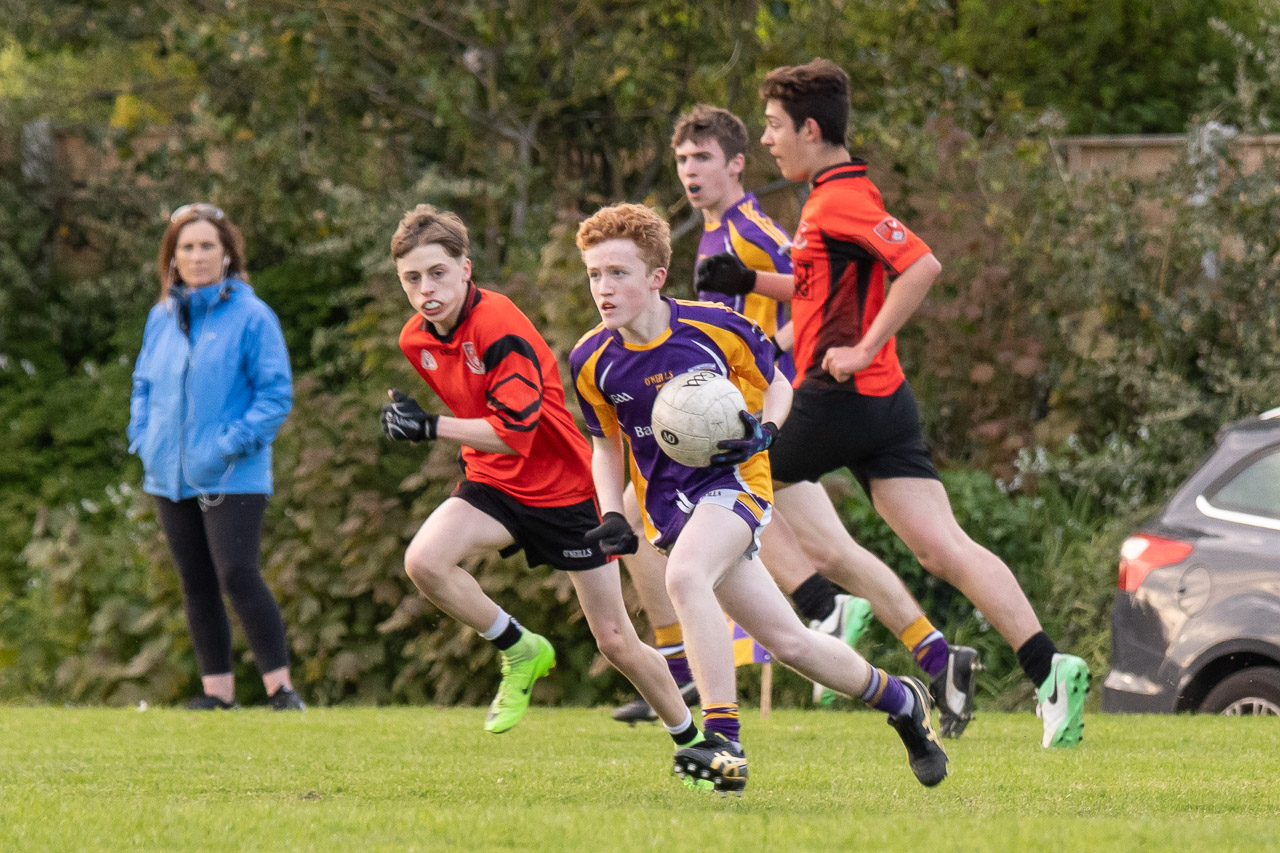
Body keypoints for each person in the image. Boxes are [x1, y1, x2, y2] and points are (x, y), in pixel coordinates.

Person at [752, 58, 1089, 748]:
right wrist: (754, 278)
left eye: (773, 126)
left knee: (724, 477)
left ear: (811, 129)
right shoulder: (828, 198)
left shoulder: (843, 199)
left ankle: (824, 607)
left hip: (840, 397)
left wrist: (867, 345)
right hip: (884, 406)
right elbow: (822, 289)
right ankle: (1050, 667)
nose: (766, 139)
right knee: (943, 548)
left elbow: (922, 264)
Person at [614, 104, 979, 732]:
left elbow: (814, 297)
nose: (690, 172)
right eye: (682, 160)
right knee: (836, 550)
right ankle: (939, 657)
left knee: (636, 502)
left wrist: (768, 361)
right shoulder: (707, 234)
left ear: (735, 164)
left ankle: (687, 663)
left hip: (754, 415)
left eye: (703, 158)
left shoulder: (751, 229)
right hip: (729, 417)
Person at [570, 202, 948, 795]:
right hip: (671, 510)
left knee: (685, 578)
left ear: (655, 277)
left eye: (617, 272)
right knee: (790, 642)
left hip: (736, 482)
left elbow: (777, 381)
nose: (603, 287)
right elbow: (606, 447)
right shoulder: (592, 359)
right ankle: (902, 701)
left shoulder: (713, 326)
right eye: (594, 274)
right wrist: (614, 516)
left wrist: (765, 431)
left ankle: (725, 743)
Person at [380, 205, 702, 762]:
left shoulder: (499, 325)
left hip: (565, 491)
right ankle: (520, 647)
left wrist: (428, 426)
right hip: (493, 484)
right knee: (425, 562)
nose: (425, 289)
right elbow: (486, 428)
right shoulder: (417, 340)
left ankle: (691, 741)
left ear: (465, 268)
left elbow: (514, 432)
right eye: (412, 278)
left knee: (616, 641)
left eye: (437, 273)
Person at [127, 202, 304, 711]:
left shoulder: (253, 316)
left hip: (234, 473)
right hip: (168, 474)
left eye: (208, 245)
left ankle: (281, 689)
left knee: (237, 574)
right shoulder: (160, 318)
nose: (198, 255)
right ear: (172, 258)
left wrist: (229, 443)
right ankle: (217, 693)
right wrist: (142, 435)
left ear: (227, 254)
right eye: (187, 247)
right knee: (196, 583)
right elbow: (142, 383)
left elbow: (275, 395)